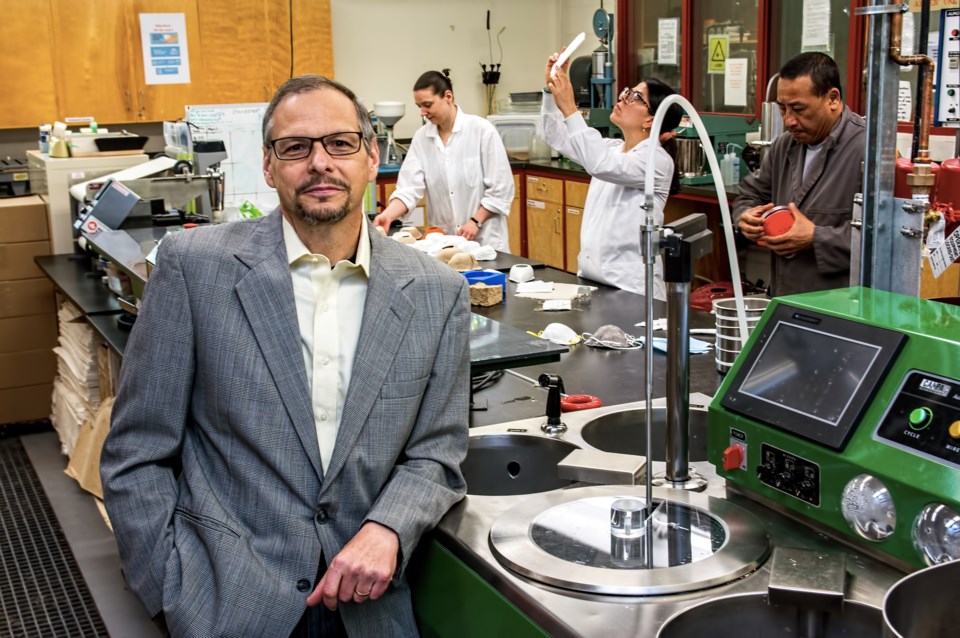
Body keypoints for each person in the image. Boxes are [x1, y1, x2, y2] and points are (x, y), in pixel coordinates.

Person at [100, 75, 471, 638]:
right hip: (226, 599)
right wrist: (167, 590)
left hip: (368, 602)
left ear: (373, 158)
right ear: (270, 168)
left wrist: (388, 529)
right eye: (296, 147)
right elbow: (137, 450)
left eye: (341, 143)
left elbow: (437, 453)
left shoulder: (436, 291)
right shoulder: (194, 269)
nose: (320, 163)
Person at [541, 55, 683, 300]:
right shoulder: (612, 148)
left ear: (651, 120)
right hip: (593, 279)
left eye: (635, 97)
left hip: (630, 289)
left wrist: (570, 107)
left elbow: (600, 165)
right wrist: (551, 88)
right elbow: (557, 136)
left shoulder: (656, 160)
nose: (622, 98)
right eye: (627, 92)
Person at [734, 52, 866, 296]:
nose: (788, 121)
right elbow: (749, 193)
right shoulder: (785, 145)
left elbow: (884, 239)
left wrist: (817, 237)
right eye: (783, 109)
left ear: (832, 98)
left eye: (798, 109)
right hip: (784, 297)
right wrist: (746, 216)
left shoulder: (867, 149)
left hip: (839, 305)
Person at [373, 69, 515, 251]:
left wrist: (476, 221)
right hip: (445, 244)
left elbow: (501, 189)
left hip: (485, 242)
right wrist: (388, 215)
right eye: (419, 106)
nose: (422, 112)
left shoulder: (481, 131)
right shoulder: (422, 138)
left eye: (427, 105)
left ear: (448, 96)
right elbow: (409, 189)